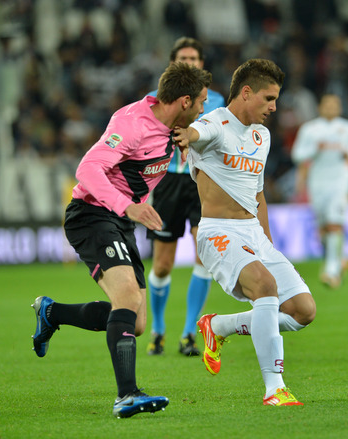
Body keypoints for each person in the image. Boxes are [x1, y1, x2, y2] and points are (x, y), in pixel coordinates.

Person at [30, 62, 212, 418]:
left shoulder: (173, 128)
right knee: (127, 297)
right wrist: (127, 207)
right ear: (185, 100)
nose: (203, 111)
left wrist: (186, 146)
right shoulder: (131, 123)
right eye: (201, 103)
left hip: (120, 222)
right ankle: (126, 395)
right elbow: (86, 169)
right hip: (93, 213)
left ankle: (51, 313)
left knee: (136, 321)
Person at [173, 59, 316, 406]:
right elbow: (197, 133)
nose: (274, 107)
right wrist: (185, 135)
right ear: (246, 92)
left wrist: (265, 240)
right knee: (264, 288)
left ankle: (218, 327)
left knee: (303, 311)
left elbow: (257, 194)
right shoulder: (217, 122)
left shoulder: (261, 136)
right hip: (219, 232)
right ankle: (274, 388)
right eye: (269, 98)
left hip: (252, 233)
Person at [145, 37, 226, 357]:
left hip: (201, 182)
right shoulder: (156, 101)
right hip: (167, 183)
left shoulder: (217, 100)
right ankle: (158, 328)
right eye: (184, 58)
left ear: (202, 63)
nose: (190, 62)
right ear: (173, 64)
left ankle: (190, 332)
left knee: (203, 255)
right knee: (162, 264)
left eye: (195, 58)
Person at [291, 94, 348, 289]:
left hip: (340, 181)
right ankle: (338, 259)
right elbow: (297, 154)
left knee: (334, 222)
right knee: (323, 227)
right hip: (318, 183)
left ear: (340, 107)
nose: (331, 108)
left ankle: (331, 270)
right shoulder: (311, 129)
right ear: (321, 107)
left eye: (335, 104)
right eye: (327, 104)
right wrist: (315, 149)